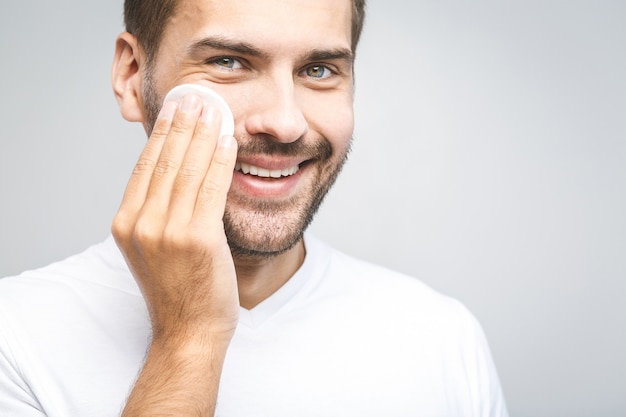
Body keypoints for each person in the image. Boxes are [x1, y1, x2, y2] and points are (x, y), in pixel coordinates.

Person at [0, 0, 509, 416]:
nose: (285, 123)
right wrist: (189, 338)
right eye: (229, 62)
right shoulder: (15, 338)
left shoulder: (442, 337)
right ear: (133, 76)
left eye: (319, 69)